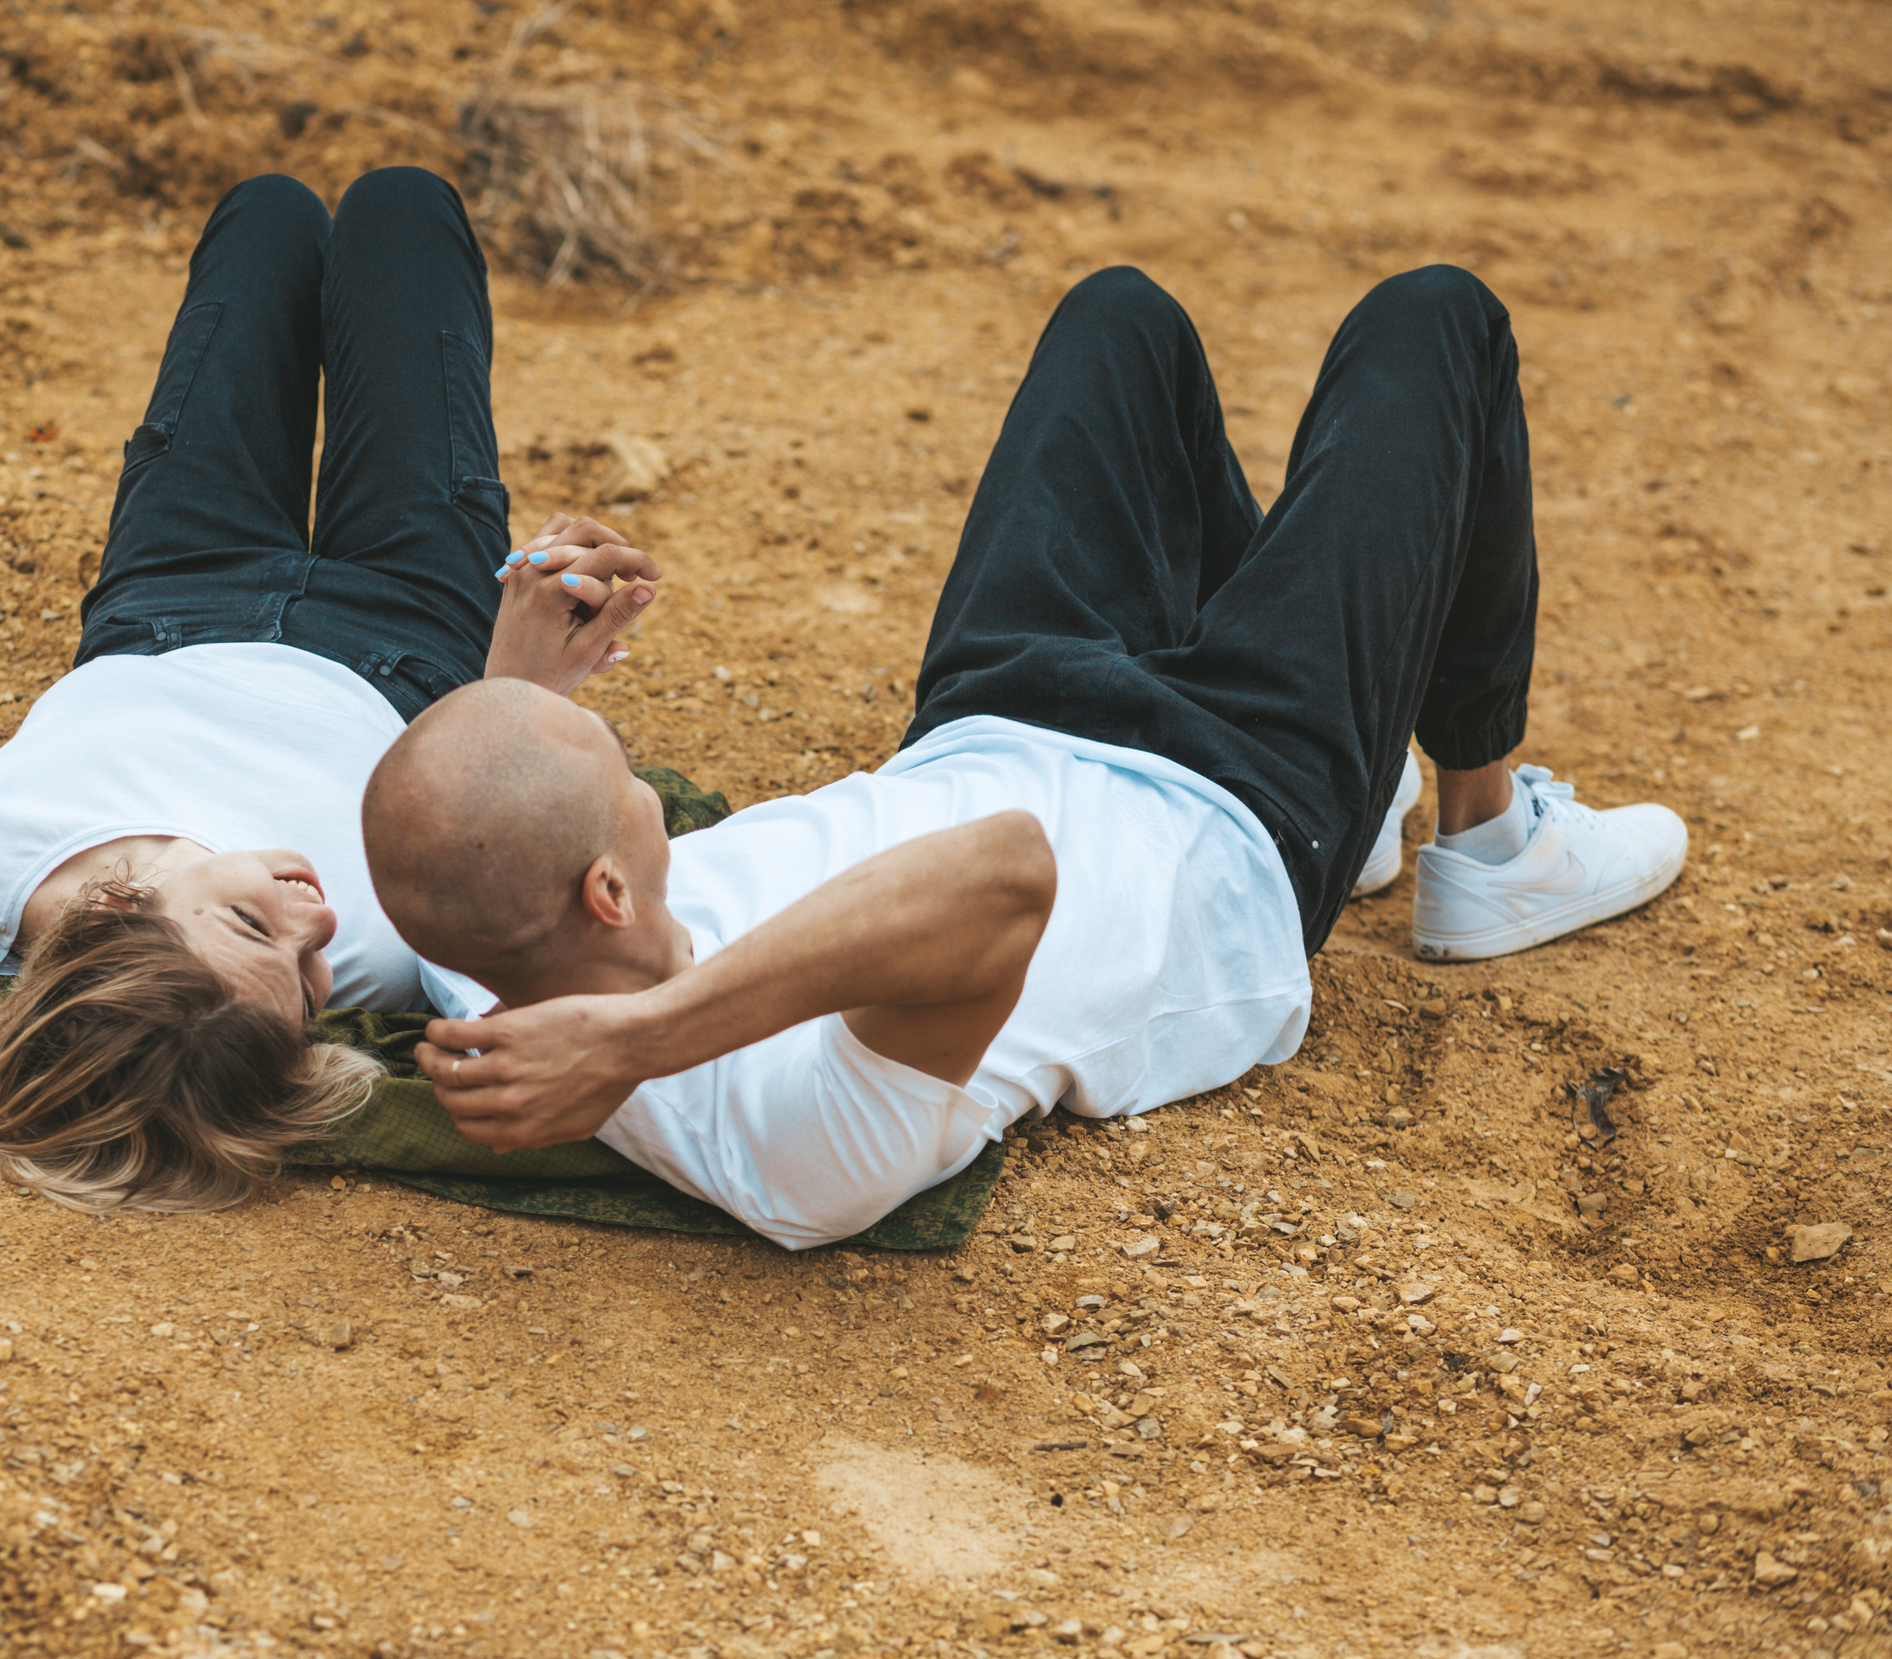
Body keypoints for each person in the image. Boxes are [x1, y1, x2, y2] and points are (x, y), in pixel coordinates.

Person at [363, 264, 1688, 1250]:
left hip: (1000, 713)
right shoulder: (782, 1144)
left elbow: (461, 835)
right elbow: (1003, 870)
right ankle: (1491, 840)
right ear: (605, 888)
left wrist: (517, 690)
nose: (649, 782)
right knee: (1435, 320)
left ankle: (1369, 739)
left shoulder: (479, 960)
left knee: (1122, 323)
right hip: (1234, 811)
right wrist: (649, 1032)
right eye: (630, 778)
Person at [0, 169, 657, 1213]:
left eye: (249, 924)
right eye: (311, 988)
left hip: (173, 585)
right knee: (405, 210)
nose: (311, 923)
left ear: (113, 911)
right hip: (405, 640)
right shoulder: (378, 947)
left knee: (265, 216)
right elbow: (517, 814)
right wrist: (533, 675)